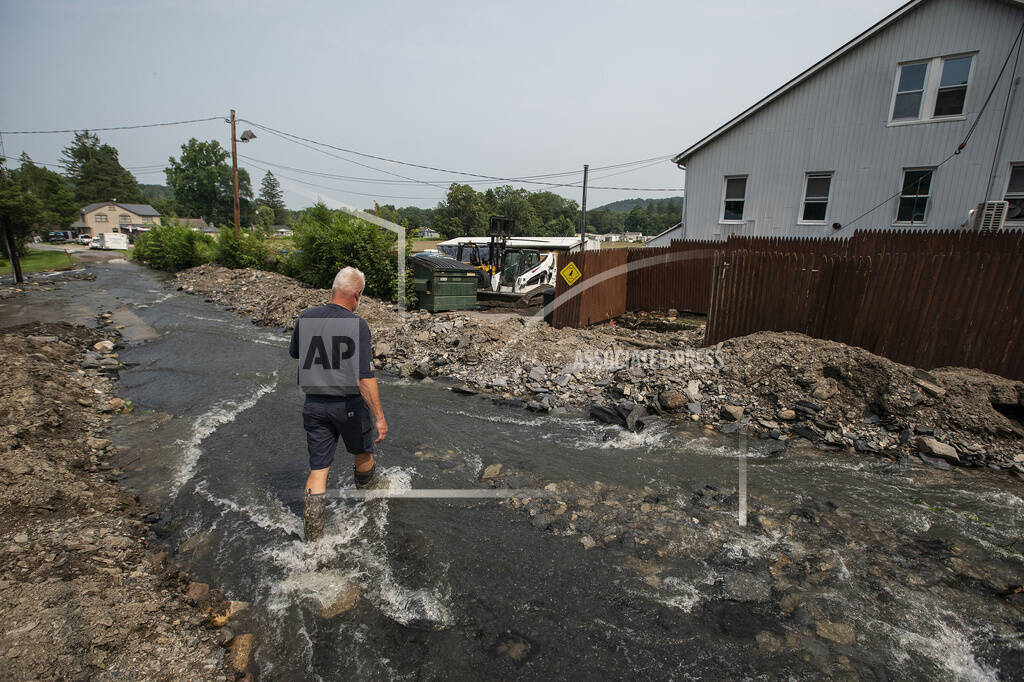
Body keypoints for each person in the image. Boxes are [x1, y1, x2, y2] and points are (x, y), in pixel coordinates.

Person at [289, 266, 388, 542]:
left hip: (314, 405)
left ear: (334, 289)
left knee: (318, 470)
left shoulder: (305, 317)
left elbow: (296, 352)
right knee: (363, 454)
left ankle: (314, 538)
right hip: (349, 405)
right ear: (357, 296)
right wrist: (379, 417)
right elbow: (365, 378)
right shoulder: (357, 324)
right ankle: (370, 503)